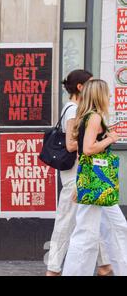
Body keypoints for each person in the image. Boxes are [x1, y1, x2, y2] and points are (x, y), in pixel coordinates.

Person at [46, 71, 112, 276]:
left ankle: (104, 265)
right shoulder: (74, 109)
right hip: (76, 173)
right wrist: (97, 140)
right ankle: (54, 268)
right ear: (81, 88)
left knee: (93, 219)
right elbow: (72, 143)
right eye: (91, 84)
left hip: (83, 172)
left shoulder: (77, 109)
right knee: (66, 221)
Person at [62, 79, 127, 276]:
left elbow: (82, 152)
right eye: (107, 93)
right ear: (99, 95)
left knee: (117, 227)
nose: (110, 96)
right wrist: (110, 138)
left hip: (96, 182)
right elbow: (88, 149)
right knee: (86, 233)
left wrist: (79, 184)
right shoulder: (94, 118)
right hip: (97, 182)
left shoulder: (89, 117)